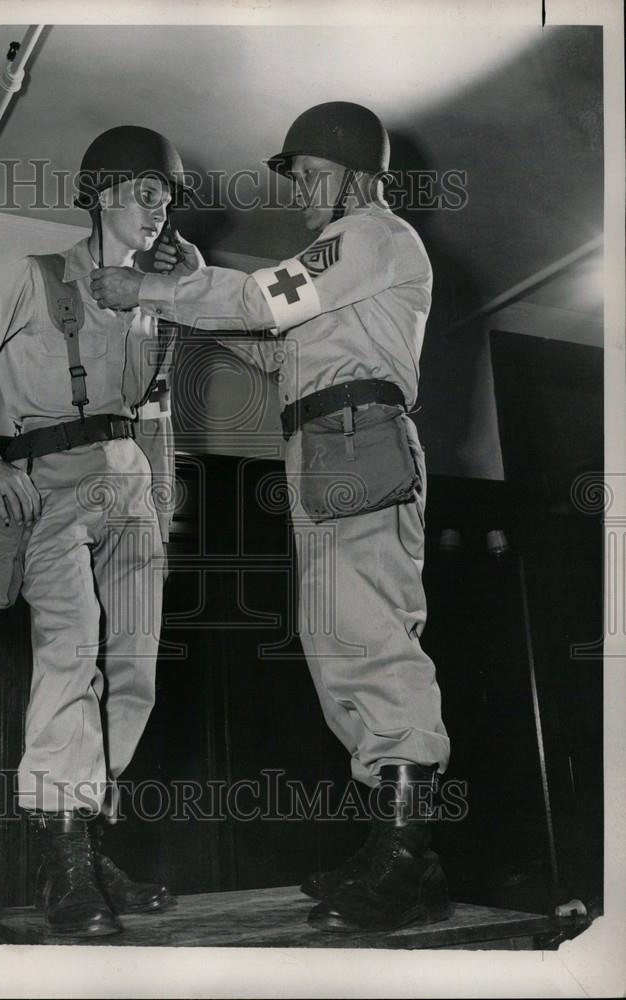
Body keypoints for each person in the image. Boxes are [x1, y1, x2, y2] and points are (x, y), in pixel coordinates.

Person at [90, 102, 452, 933]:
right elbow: (275, 346)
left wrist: (152, 285)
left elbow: (263, 299)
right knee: (337, 641)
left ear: (362, 175)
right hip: (324, 444)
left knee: (367, 634)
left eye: (316, 174)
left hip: (357, 436)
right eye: (299, 178)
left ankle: (406, 850)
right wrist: (191, 286)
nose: (303, 192)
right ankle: (403, 852)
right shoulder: (342, 261)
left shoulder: (372, 233)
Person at [0, 125, 201, 937]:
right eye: (148, 193)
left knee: (134, 666)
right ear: (105, 193)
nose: (161, 210)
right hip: (51, 490)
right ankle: (63, 859)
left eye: (168, 196)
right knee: (70, 653)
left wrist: (160, 507)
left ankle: (92, 836)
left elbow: (159, 411)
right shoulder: (33, 278)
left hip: (134, 491)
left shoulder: (155, 294)